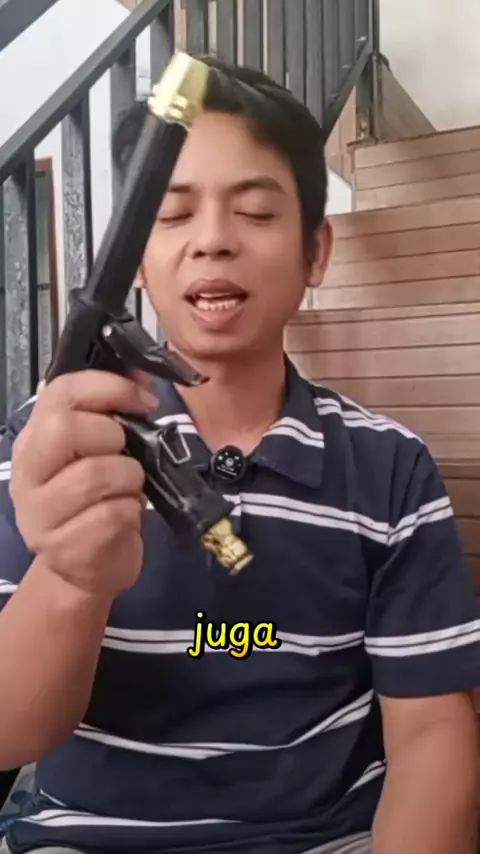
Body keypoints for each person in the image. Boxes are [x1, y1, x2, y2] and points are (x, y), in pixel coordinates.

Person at [0, 55, 479, 854]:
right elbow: (11, 733)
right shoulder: (47, 446)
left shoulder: (391, 469)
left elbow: (433, 735)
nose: (214, 241)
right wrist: (74, 576)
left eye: (255, 212)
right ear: (138, 259)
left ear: (316, 252)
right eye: (172, 214)